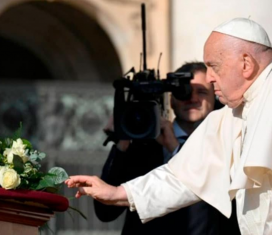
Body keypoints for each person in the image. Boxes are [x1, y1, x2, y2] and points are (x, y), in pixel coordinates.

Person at [65, 18, 272, 235]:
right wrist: (118, 193)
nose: (210, 77)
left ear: (246, 64)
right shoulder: (230, 117)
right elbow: (182, 178)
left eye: (214, 66)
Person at [94, 62, 238, 234]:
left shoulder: (225, 143)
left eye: (201, 92)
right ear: (171, 99)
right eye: (182, 91)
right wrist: (123, 141)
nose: (191, 98)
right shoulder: (144, 146)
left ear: (214, 99)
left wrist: (176, 149)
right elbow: (105, 212)